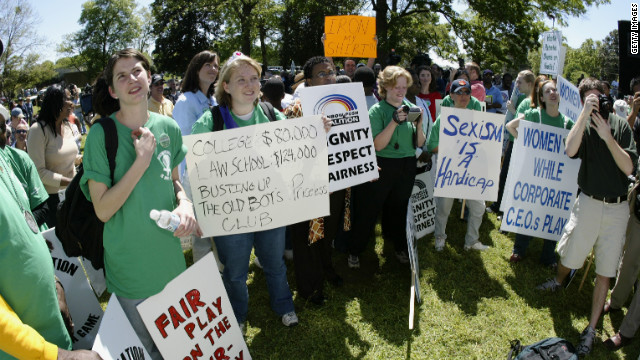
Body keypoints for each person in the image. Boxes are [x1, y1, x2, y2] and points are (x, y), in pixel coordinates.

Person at [81, 48, 200, 358]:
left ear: (149, 78)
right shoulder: (99, 135)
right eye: (121, 75)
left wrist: (184, 203)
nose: (131, 79)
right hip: (130, 270)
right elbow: (104, 210)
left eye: (137, 71)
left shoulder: (168, 127)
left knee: (173, 347)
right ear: (112, 89)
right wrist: (141, 160)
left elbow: (174, 181)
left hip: (171, 265)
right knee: (142, 350)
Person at [191, 52, 314, 331]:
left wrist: (317, 131)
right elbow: (195, 169)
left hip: (269, 207)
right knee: (234, 272)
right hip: (230, 216)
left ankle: (284, 306)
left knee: (275, 264)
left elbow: (297, 148)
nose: (250, 85)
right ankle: (237, 316)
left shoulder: (272, 116)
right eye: (241, 80)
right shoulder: (210, 121)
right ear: (226, 86)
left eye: (254, 79)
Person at [535, 78, 637, 356]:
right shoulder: (582, 123)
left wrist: (607, 137)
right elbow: (569, 150)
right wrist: (583, 116)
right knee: (569, 256)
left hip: (617, 209)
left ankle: (590, 329)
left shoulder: (620, 125)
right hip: (589, 202)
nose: (597, 104)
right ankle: (559, 281)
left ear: (607, 97)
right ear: (582, 102)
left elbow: (629, 167)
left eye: (599, 98)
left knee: (605, 271)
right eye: (590, 100)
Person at [348, 65, 426, 268]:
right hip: (382, 164)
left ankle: (398, 246)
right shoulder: (377, 110)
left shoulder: (410, 107)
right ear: (385, 88)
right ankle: (355, 250)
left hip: (407, 165)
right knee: (369, 209)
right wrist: (393, 122)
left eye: (403, 87)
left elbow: (419, 143)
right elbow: (377, 145)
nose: (400, 91)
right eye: (395, 87)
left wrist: (419, 125)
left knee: (399, 209)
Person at [283, 56, 344, 306]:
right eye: (321, 74)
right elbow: (289, 151)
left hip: (336, 180)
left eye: (331, 72)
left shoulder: (342, 104)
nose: (329, 77)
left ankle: (325, 270)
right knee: (307, 235)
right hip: (307, 184)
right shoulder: (295, 109)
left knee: (327, 231)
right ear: (308, 80)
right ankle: (310, 288)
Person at [506, 80, 574, 267]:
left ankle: (548, 255)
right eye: (547, 91)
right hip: (533, 175)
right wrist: (526, 146)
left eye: (555, 90)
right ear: (542, 97)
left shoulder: (568, 123)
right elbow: (511, 127)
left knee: (553, 213)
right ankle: (519, 249)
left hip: (555, 179)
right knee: (528, 209)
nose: (553, 92)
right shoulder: (533, 115)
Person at [427, 79, 490, 252]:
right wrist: (452, 146)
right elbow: (431, 145)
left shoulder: (479, 119)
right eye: (459, 92)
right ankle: (440, 237)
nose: (463, 96)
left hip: (471, 171)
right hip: (450, 170)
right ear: (452, 95)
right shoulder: (443, 119)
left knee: (478, 207)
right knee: (444, 208)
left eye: (467, 92)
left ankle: (471, 241)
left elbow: (486, 144)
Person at [173, 50, 219, 263]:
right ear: (196, 68)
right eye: (208, 65)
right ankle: (205, 271)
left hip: (215, 170)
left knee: (215, 222)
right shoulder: (185, 101)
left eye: (216, 66)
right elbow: (185, 141)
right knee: (201, 229)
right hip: (194, 172)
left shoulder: (213, 99)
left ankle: (219, 264)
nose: (213, 69)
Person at [27, 85, 80, 228]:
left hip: (72, 195)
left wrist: (81, 160)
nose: (71, 103)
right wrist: (70, 182)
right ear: (56, 102)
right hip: (52, 200)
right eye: (67, 99)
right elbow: (38, 172)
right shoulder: (38, 131)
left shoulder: (68, 126)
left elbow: (66, 156)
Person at [487, 70, 537, 217]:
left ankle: (505, 209)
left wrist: (513, 111)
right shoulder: (520, 97)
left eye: (520, 82)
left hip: (522, 144)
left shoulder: (534, 102)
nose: (517, 85)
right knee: (504, 174)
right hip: (512, 140)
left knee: (513, 176)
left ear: (529, 84)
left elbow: (526, 123)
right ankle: (498, 204)